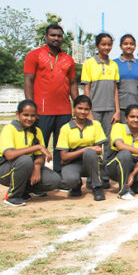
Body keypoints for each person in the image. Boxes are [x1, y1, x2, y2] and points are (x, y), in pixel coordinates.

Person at [24, 24, 78, 173]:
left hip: (64, 110)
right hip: (41, 110)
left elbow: (73, 84)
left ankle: (60, 177)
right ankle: (36, 180)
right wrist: (30, 106)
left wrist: (78, 106)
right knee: (40, 145)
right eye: (53, 35)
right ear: (46, 37)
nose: (56, 38)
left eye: (59, 36)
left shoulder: (69, 59)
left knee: (61, 146)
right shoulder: (34, 55)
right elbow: (28, 80)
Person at [0, 100, 61, 207]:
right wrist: (36, 147)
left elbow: (40, 156)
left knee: (54, 180)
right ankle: (12, 196)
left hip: (27, 167)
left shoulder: (37, 131)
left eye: (33, 115)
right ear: (17, 114)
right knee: (25, 160)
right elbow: (10, 155)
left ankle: (24, 190)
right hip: (5, 170)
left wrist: (37, 168)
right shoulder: (9, 129)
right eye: (25, 115)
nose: (29, 118)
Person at [81, 33, 120, 188]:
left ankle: (105, 176)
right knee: (95, 145)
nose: (106, 47)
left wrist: (117, 110)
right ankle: (92, 177)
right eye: (103, 44)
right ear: (97, 46)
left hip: (110, 110)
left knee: (110, 144)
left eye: (109, 44)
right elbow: (86, 88)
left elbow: (115, 90)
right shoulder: (89, 64)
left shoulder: (114, 65)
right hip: (95, 110)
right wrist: (88, 111)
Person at [56, 95, 107, 201]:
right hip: (72, 163)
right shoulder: (66, 128)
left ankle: (97, 187)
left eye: (86, 109)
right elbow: (64, 157)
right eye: (80, 108)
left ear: (90, 110)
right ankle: (76, 185)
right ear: (74, 109)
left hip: (90, 162)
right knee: (69, 180)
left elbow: (98, 150)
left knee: (90, 153)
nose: (83, 112)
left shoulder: (95, 125)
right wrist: (86, 148)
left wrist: (88, 150)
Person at [114, 34, 138, 122]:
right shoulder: (114, 64)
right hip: (121, 107)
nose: (129, 46)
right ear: (121, 46)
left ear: (135, 46)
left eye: (131, 44)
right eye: (125, 43)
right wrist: (117, 110)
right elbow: (113, 87)